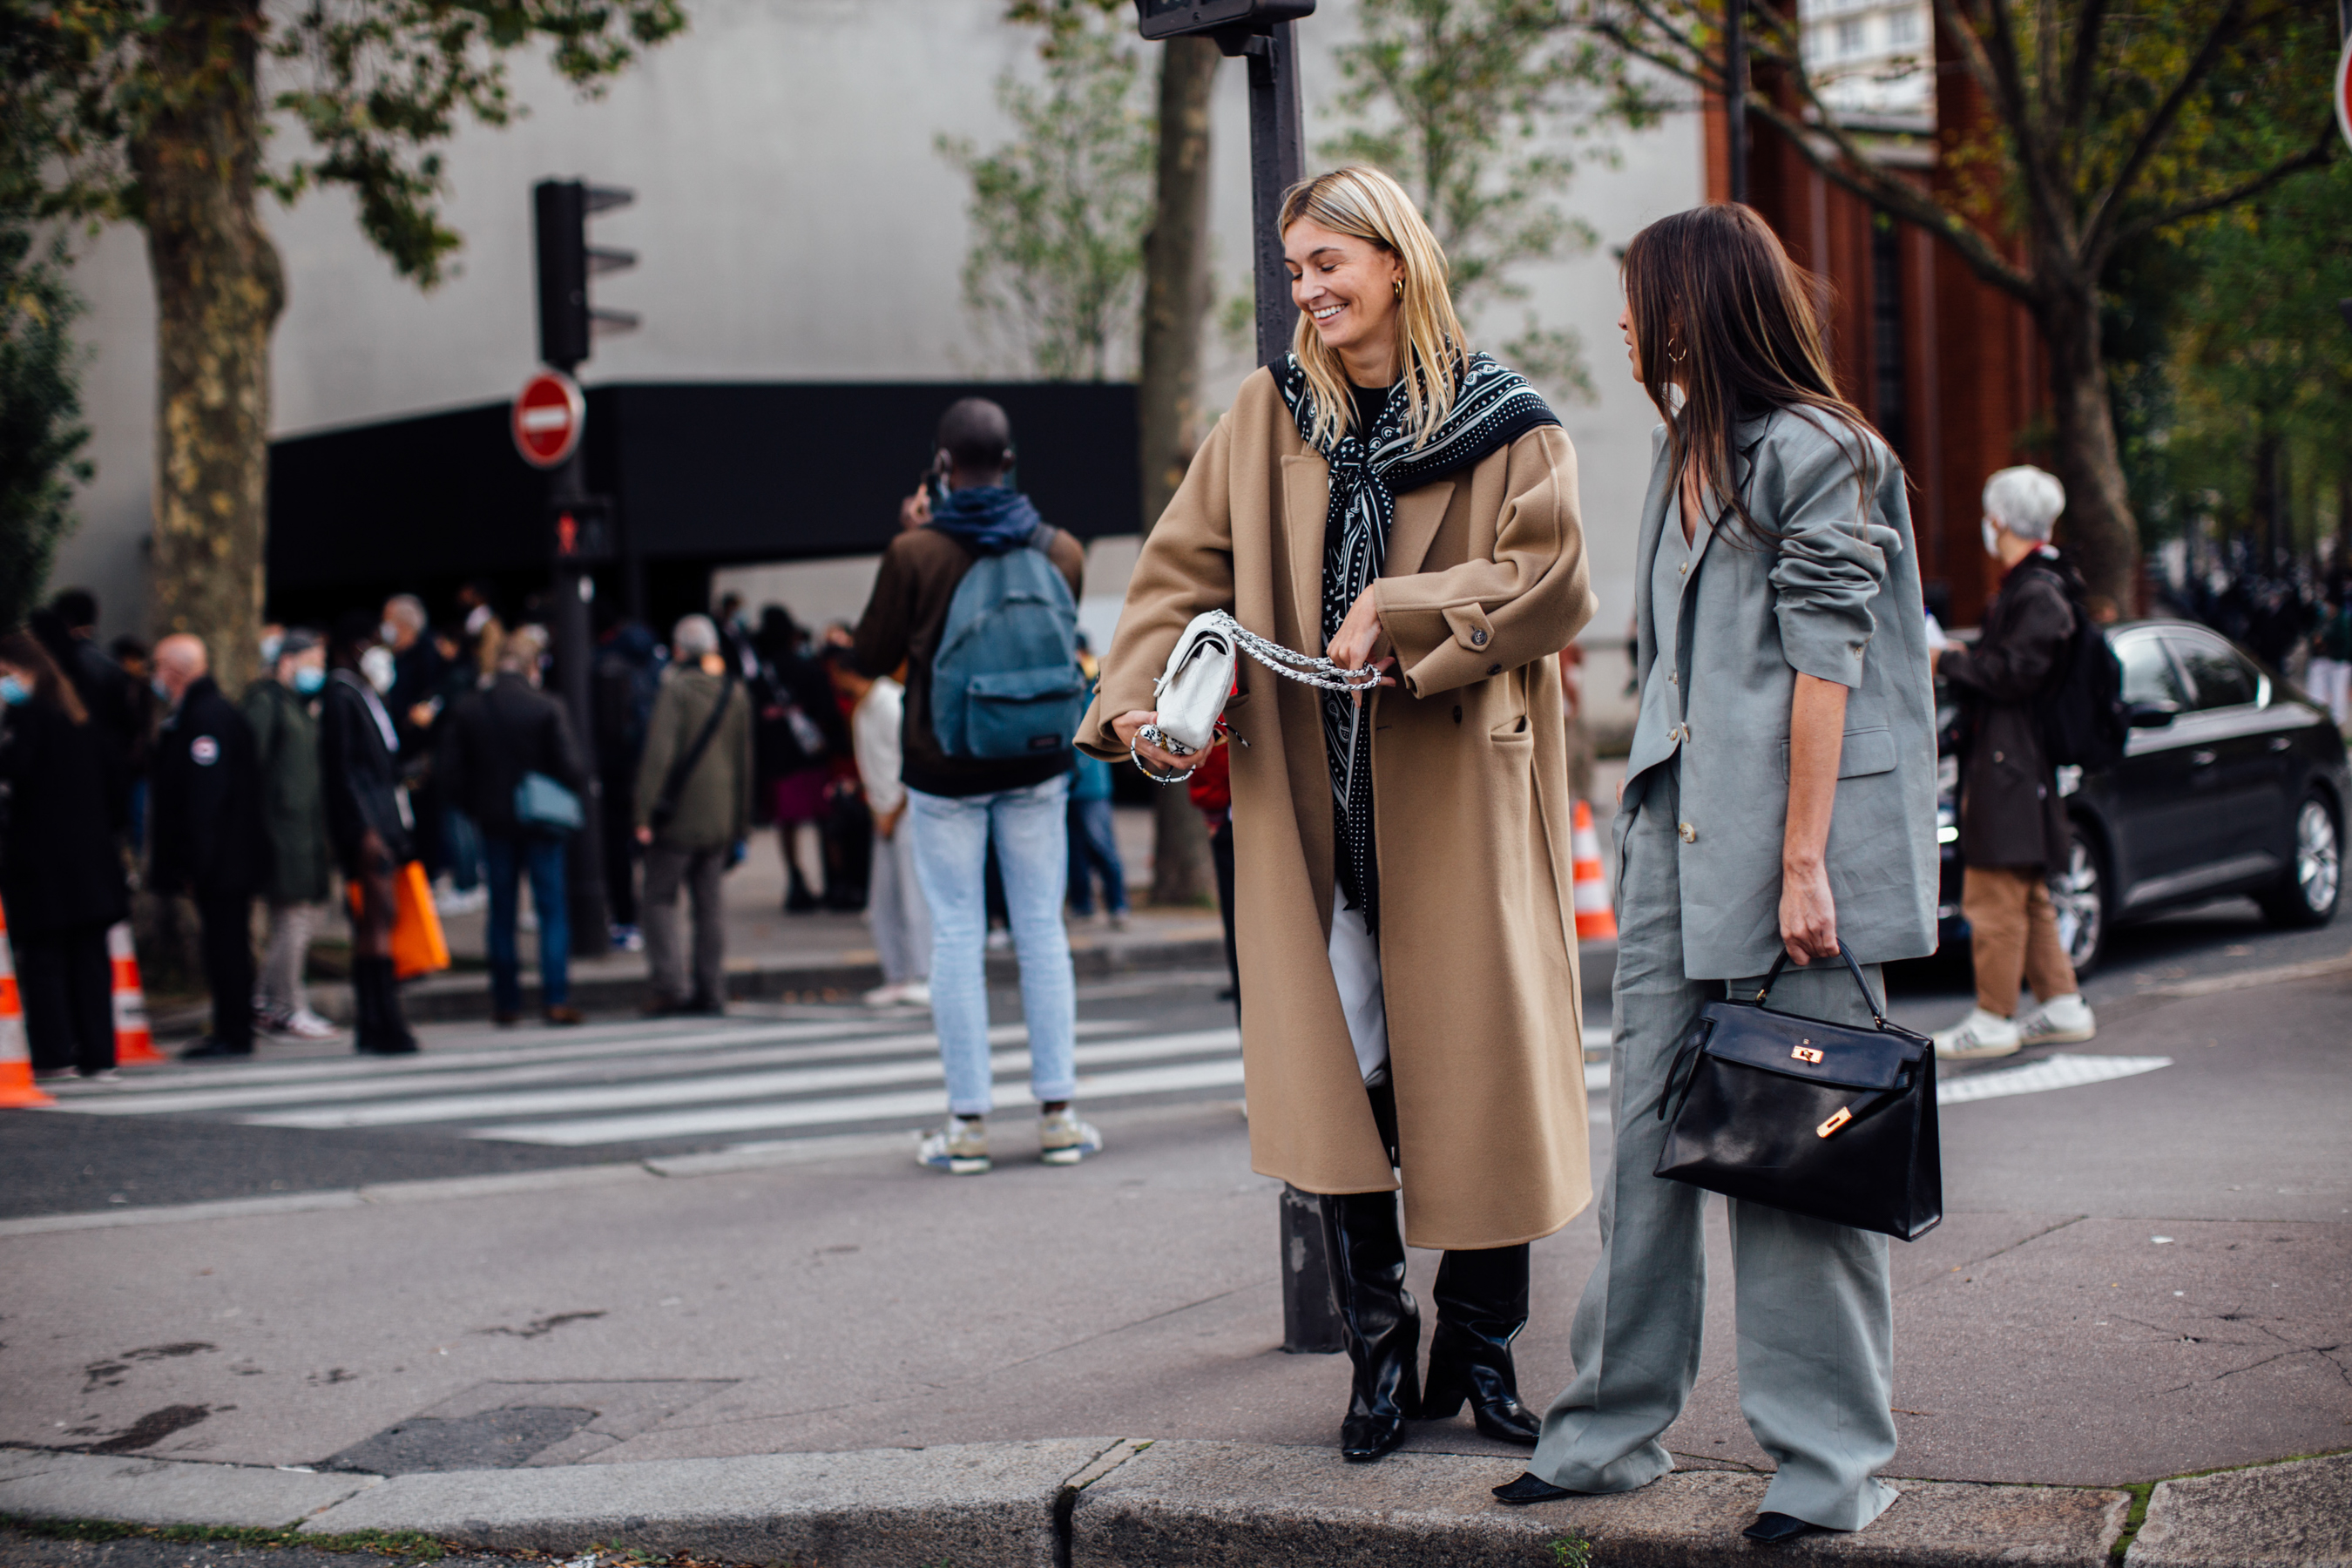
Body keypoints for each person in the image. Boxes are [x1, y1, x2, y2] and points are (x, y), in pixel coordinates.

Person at [1082, 165, 1593, 1461]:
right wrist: (1137, 701)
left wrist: (1407, 608)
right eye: (1295, 268)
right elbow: (1177, 568)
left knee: (1477, 1073)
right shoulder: (1269, 414)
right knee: (1340, 1086)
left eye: (1327, 264)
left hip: (1459, 800)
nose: (1306, 291)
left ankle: (1477, 1353)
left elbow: (1551, 580)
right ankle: (1377, 1359)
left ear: (1397, 263)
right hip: (1311, 812)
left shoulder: (1510, 419)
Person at [1492, 204, 1937, 1544]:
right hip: (1681, 845)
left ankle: (1829, 1469)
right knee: (1646, 1159)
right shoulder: (1690, 449)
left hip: (1796, 856)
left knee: (1797, 1164)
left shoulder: (1825, 452)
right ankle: (1608, 1434)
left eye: (1638, 297)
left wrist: (1807, 865)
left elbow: (1827, 667)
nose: (1623, 321)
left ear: (1693, 305)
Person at [854, 395, 1098, 1178]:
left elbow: (869, 654)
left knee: (957, 934)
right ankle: (1058, 1115)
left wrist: (910, 531)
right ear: (1011, 460)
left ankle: (967, 1127)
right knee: (1040, 929)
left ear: (943, 465)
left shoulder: (917, 554)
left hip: (944, 764)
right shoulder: (1061, 549)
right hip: (1036, 760)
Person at [1927, 467, 2099, 1060]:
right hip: (2020, 764)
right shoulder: (2043, 586)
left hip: (2009, 766)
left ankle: (1994, 1015)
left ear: (1999, 520)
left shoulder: (2036, 591)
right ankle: (2060, 1003)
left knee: (1992, 895)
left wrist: (1946, 662)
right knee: (2027, 894)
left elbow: (2014, 673)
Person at [438, 625, 590, 1026]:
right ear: (531, 666)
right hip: (541, 819)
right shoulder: (545, 706)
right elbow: (571, 767)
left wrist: (476, 804)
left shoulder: (471, 707)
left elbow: (450, 773)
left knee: (501, 913)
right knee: (551, 909)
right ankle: (555, 996)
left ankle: (507, 1002)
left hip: (494, 819)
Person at [0, 631, 128, 1079]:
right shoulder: (79, 714)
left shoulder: (28, 716)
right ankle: (99, 1053)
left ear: (18, 670)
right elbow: (117, 786)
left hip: (44, 862)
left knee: (46, 959)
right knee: (91, 961)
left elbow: (15, 770)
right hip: (92, 862)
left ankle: (55, 1052)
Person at [148, 634, 267, 1061]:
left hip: (222, 862)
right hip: (227, 859)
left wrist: (196, 862)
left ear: (176, 671)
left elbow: (205, 798)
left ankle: (233, 1031)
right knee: (225, 945)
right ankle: (230, 1027)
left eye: (159, 665)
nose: (155, 675)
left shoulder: (205, 718)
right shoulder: (206, 713)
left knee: (226, 946)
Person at [634, 614, 753, 1016]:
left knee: (659, 899)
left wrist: (644, 813)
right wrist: (741, 822)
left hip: (679, 814)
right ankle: (712, 988)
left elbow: (659, 755)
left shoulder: (677, 689)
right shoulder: (733, 691)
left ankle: (670, 984)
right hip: (721, 815)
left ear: (680, 649)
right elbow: (744, 762)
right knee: (710, 905)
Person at [321, 612, 420, 1055]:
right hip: (369, 827)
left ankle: (377, 1021)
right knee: (377, 920)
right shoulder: (342, 696)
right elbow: (343, 770)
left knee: (379, 920)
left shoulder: (359, 694)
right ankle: (382, 1021)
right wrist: (365, 829)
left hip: (379, 821)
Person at [243, 628, 341, 1040]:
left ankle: (268, 1002)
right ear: (288, 661)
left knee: (295, 921)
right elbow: (252, 765)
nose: (318, 671)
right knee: (292, 923)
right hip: (283, 832)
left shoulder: (293, 704)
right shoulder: (269, 703)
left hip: (299, 830)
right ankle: (285, 1006)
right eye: (312, 663)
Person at [832, 656, 930, 1009]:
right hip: (882, 810)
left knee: (913, 896)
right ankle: (899, 973)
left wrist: (893, 810)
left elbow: (913, 760)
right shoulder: (863, 709)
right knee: (884, 899)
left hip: (903, 809)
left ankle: (922, 974)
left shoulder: (889, 704)